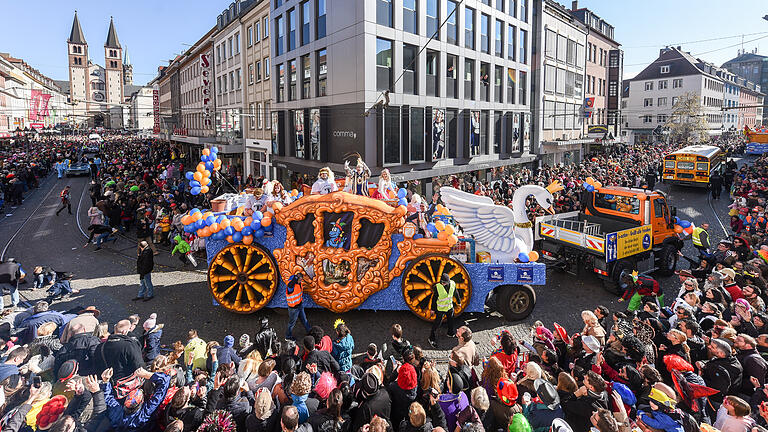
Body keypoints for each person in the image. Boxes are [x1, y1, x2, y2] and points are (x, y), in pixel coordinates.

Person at [429, 273, 456, 348]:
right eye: (442, 282)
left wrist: (459, 301)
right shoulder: (438, 287)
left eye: (444, 282)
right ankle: (431, 338)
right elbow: (434, 299)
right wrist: (432, 309)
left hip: (450, 307)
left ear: (448, 282)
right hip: (441, 309)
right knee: (437, 323)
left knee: (451, 320)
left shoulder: (453, 284)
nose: (442, 284)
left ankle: (450, 333)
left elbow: (455, 292)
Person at [285, 270, 311, 341]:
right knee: (291, 323)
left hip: (300, 305)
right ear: (296, 279)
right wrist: (295, 278)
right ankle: (288, 337)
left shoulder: (299, 284)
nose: (301, 281)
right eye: (300, 280)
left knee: (304, 319)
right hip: (293, 308)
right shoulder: (291, 285)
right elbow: (290, 285)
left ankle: (309, 331)